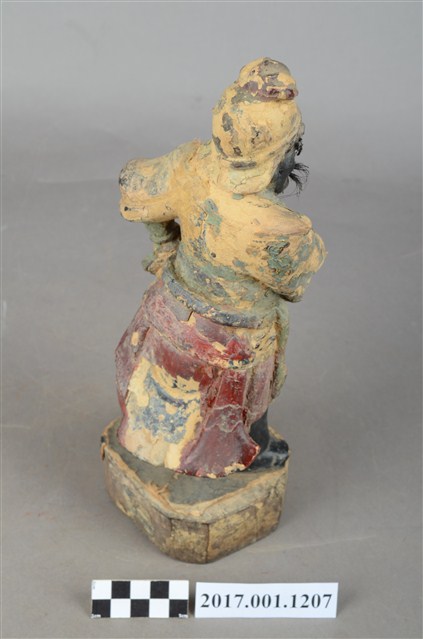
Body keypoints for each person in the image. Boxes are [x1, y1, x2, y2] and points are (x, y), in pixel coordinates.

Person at [115, 57, 326, 478]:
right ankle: (246, 450)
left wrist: (164, 246)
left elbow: (134, 185)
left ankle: (156, 449)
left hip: (169, 308)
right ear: (282, 152)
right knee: (245, 404)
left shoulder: (190, 165)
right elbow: (295, 284)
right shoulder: (278, 229)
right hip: (235, 339)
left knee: (150, 393)